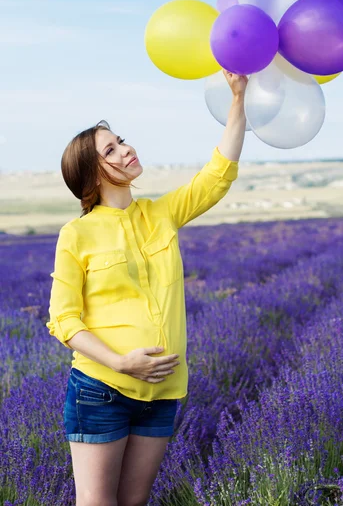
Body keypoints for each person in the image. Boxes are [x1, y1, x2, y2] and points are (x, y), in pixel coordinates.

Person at [46, 69, 248, 506]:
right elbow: (63, 320)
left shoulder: (160, 214)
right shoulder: (76, 235)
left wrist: (237, 99)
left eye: (122, 140)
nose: (126, 148)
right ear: (91, 173)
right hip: (100, 390)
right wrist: (121, 362)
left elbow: (217, 176)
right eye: (111, 149)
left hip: (162, 392)